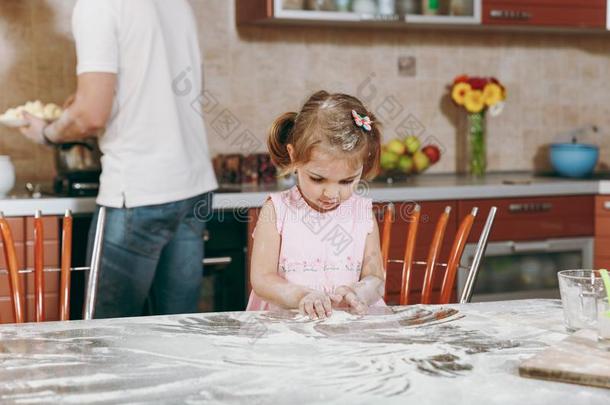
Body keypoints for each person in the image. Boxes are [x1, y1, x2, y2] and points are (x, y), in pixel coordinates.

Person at [19, 0, 218, 318]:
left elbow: (92, 115)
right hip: (193, 188)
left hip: (137, 193)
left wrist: (48, 133)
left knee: (106, 338)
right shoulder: (178, 4)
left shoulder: (97, 5)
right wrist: (85, 106)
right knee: (178, 337)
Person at [247, 90, 386, 320]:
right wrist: (301, 296)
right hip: (288, 330)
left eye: (347, 181)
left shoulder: (362, 213)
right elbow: (262, 279)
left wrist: (360, 292)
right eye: (318, 178)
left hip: (347, 329)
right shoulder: (277, 210)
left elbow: (376, 278)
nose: (331, 193)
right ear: (293, 156)